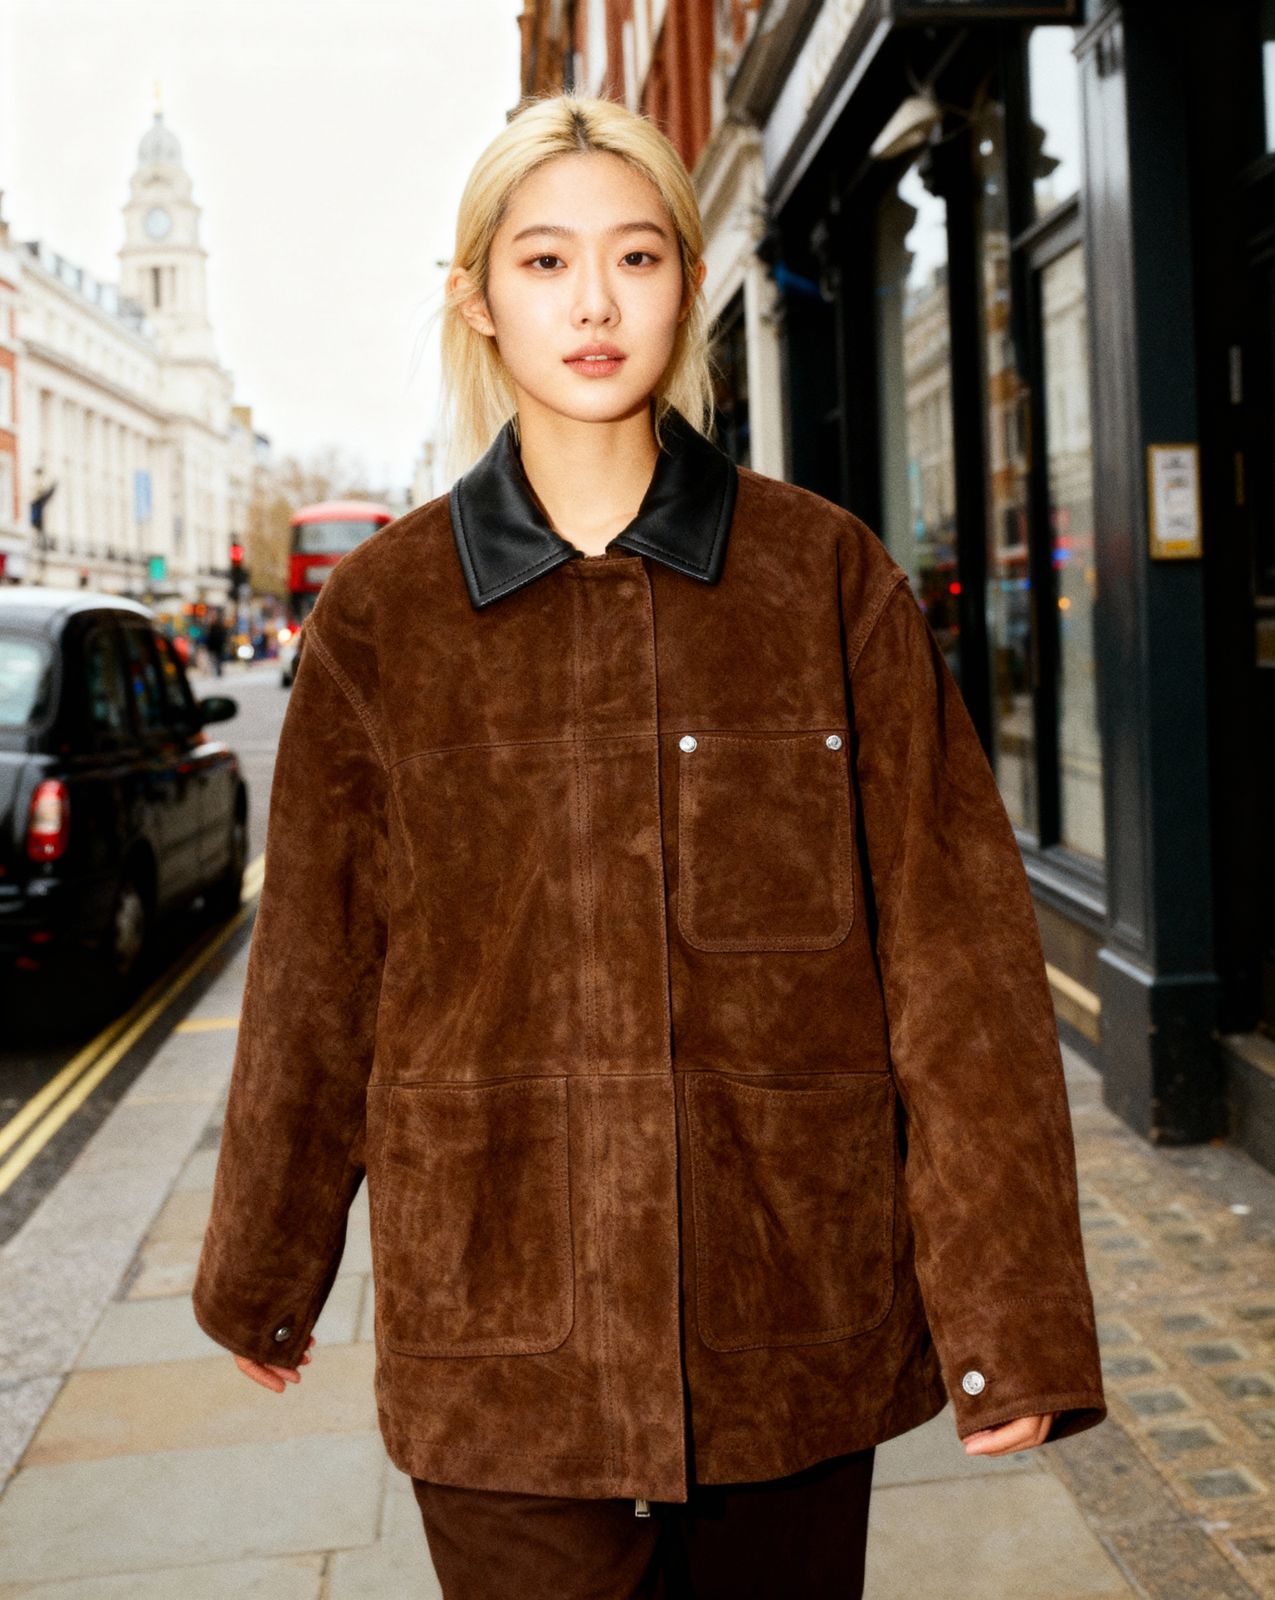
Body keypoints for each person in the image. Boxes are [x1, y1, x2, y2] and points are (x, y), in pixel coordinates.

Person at [191, 94, 1107, 1599]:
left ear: (689, 280)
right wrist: (265, 1275)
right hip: (504, 1342)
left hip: (784, 1316)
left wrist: (1010, 1321)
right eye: (545, 262)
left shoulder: (825, 577)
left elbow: (958, 964)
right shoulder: (383, 617)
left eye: (636, 256)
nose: (597, 302)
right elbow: (313, 975)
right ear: (476, 298)